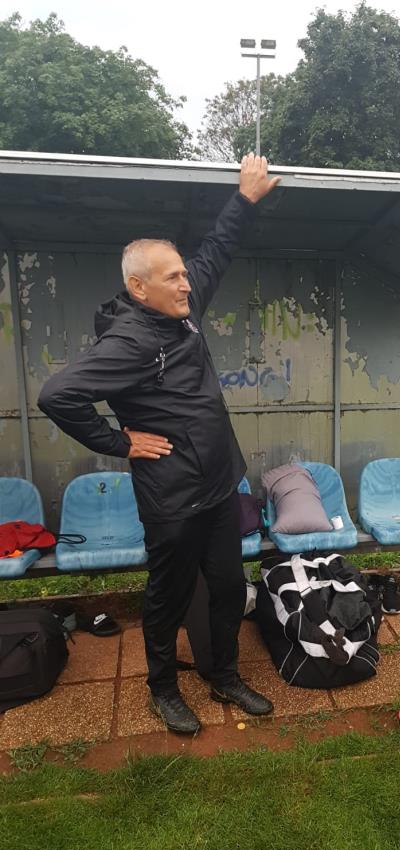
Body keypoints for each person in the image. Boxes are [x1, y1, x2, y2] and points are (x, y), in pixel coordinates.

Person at [38, 154, 280, 735]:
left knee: (228, 589)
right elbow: (57, 395)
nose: (186, 282)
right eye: (172, 277)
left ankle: (223, 674)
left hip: (218, 486)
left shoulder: (183, 312)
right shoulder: (129, 342)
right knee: (167, 598)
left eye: (182, 274)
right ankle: (164, 689)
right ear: (138, 287)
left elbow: (214, 253)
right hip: (172, 498)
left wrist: (244, 199)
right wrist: (119, 443)